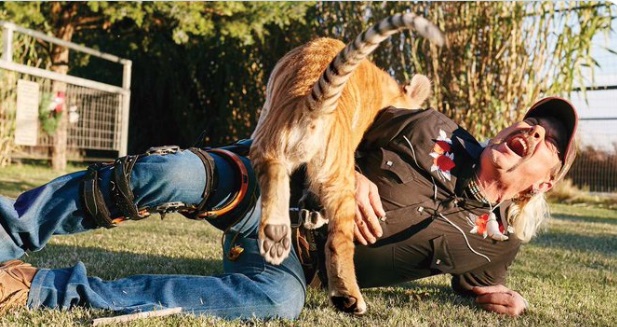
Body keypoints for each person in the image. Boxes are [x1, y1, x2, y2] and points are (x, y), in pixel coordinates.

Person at [0, 96, 577, 319]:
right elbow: (335, 112)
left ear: (544, 183)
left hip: (290, 263)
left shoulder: (497, 239)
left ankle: (38, 289)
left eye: (549, 139)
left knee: (277, 303)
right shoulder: (432, 128)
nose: (534, 129)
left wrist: (500, 295)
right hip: (270, 185)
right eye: (534, 120)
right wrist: (344, 170)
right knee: (165, 173)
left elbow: (477, 279)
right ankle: (11, 231)